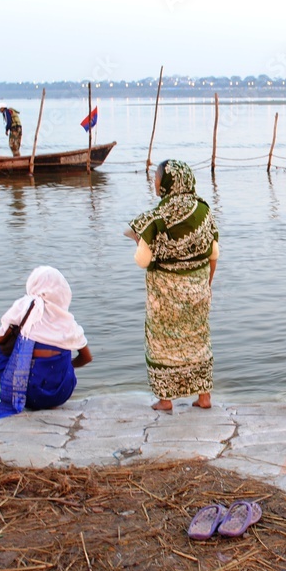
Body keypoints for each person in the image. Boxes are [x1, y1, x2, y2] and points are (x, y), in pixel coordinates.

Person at [125, 160, 219, 412]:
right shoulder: (204, 210)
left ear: (167, 183)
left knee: (162, 345)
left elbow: (142, 260)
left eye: (156, 179)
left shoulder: (157, 217)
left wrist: (140, 240)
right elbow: (214, 252)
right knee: (198, 341)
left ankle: (165, 400)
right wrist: (206, 284)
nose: (155, 183)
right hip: (198, 291)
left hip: (165, 297)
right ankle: (204, 397)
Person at [0, 266, 92, 422]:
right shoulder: (68, 322)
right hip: (61, 394)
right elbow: (86, 358)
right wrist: (66, 366)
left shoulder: (25, 305)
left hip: (27, 395)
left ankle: (15, 386)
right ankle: (51, 384)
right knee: (62, 357)